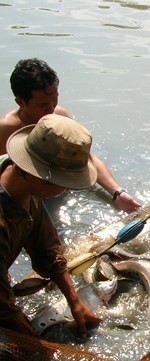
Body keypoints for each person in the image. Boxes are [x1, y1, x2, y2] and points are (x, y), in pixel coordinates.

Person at [0, 114, 103, 337]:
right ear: (39, 177)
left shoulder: (25, 188)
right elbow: (4, 310)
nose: (66, 190)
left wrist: (74, 301)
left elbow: (48, 250)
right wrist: (35, 346)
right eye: (65, 185)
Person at [0, 58, 141, 212]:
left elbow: (87, 159)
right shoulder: (6, 130)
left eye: (55, 100)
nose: (51, 109)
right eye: (43, 105)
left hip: (63, 192)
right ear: (20, 102)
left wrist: (117, 193)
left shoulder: (59, 116)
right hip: (32, 201)